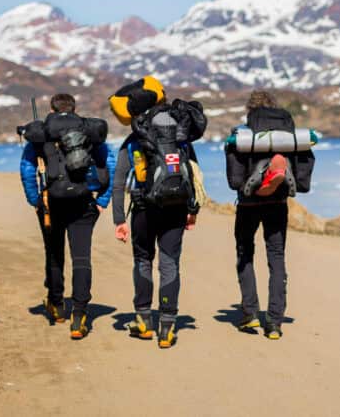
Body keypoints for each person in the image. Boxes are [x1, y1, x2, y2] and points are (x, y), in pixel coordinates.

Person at [109, 77, 204, 349]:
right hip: (176, 207)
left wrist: (119, 220)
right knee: (170, 263)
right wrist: (192, 209)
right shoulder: (181, 134)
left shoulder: (134, 138)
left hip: (143, 208)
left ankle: (143, 321)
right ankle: (167, 328)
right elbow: (192, 174)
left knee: (143, 259)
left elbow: (119, 181)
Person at [19, 93, 113, 340]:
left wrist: (35, 200)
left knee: (54, 253)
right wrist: (101, 200)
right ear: (74, 109)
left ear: (51, 109)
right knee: (82, 258)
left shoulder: (42, 134)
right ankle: (80, 316)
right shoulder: (88, 132)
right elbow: (108, 163)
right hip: (84, 202)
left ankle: (57, 305)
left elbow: (28, 168)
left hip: (51, 203)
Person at [225, 90, 314, 340]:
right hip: (278, 202)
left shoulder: (243, 134)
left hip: (249, 204)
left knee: (245, 253)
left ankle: (250, 314)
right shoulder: (287, 136)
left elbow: (233, 179)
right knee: (276, 257)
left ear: (250, 110)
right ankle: (274, 322)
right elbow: (303, 166)